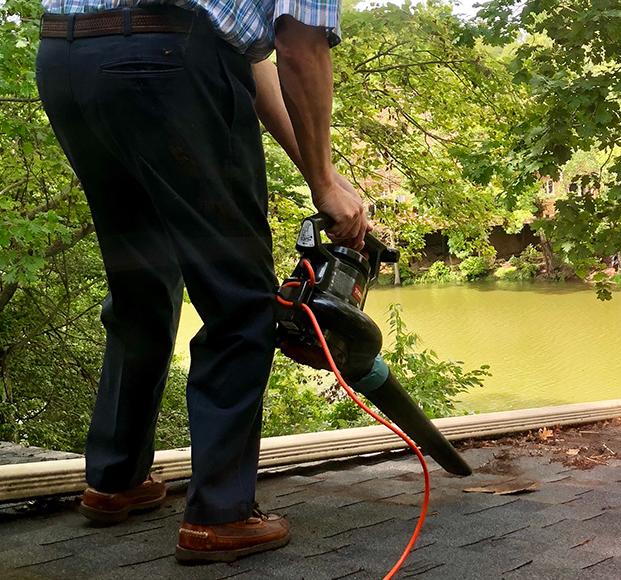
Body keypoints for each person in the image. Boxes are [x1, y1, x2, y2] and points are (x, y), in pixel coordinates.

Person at [35, 0, 371, 564]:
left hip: (70, 60)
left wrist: (323, 174)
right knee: (240, 300)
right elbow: (299, 45)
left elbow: (252, 54)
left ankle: (115, 480)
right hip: (171, 63)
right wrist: (321, 182)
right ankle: (220, 515)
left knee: (139, 277)